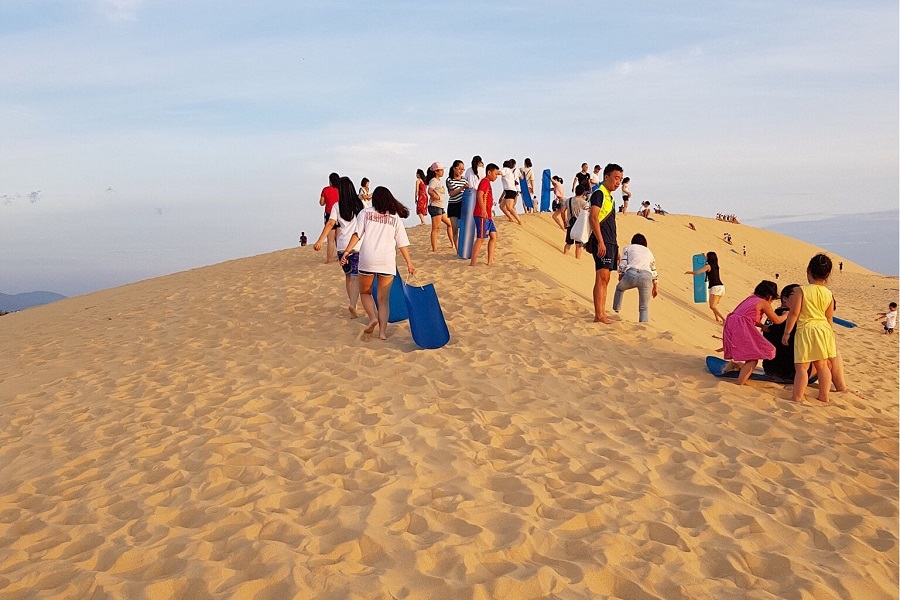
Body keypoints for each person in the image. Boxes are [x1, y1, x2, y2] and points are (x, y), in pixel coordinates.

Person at [341, 186, 415, 341]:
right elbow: (402, 243)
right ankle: (382, 332)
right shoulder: (395, 218)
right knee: (383, 300)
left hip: (368, 258)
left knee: (366, 292)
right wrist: (409, 263)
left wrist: (347, 252)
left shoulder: (365, 213)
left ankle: (373, 318)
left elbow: (357, 234)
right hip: (387, 261)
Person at [781, 253, 838, 403]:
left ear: (808, 270)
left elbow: (794, 313)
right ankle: (824, 396)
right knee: (823, 365)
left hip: (806, 329)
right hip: (823, 330)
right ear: (827, 275)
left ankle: (797, 396)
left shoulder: (801, 290)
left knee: (802, 367)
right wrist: (830, 334)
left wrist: (787, 333)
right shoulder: (829, 293)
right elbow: (829, 317)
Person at [313, 177, 366, 318]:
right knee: (356, 277)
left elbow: (330, 223)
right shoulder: (360, 205)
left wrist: (320, 240)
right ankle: (354, 304)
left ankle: (352, 303)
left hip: (342, 246)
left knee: (349, 276)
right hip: (357, 245)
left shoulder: (337, 206)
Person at [721, 280, 786, 385]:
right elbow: (777, 320)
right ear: (770, 297)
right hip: (741, 327)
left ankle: (740, 373)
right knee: (753, 358)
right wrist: (786, 315)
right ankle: (740, 383)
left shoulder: (751, 298)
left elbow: (746, 317)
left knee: (750, 353)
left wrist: (762, 326)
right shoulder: (764, 302)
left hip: (732, 323)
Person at [586, 163, 624, 324]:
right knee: (602, 277)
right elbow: (593, 218)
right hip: (601, 241)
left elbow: (611, 224)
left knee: (606, 278)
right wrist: (601, 242)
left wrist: (616, 248)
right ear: (606, 177)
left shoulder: (610, 197)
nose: (618, 182)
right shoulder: (599, 193)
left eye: (620, 179)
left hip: (610, 242)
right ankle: (599, 315)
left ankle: (602, 313)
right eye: (616, 178)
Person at [612, 233, 658, 323]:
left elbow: (623, 263)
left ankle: (616, 308)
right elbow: (653, 269)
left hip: (631, 274)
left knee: (620, 289)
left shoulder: (628, 248)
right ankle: (644, 326)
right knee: (644, 307)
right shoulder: (649, 252)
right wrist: (655, 286)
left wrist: (620, 275)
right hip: (646, 276)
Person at [762, 284, 802, 382]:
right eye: (797, 298)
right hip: (790, 371)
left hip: (769, 368)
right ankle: (841, 387)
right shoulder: (792, 318)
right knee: (834, 356)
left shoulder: (772, 316)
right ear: (785, 298)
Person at [470, 163, 500, 266]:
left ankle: (490, 260)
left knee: (494, 235)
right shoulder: (485, 181)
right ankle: (473, 262)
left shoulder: (487, 182)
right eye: (495, 174)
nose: (496, 176)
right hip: (482, 214)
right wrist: (483, 209)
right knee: (481, 238)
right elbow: (480, 194)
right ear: (489, 172)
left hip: (488, 216)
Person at [685, 251, 726, 323]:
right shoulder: (716, 266)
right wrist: (704, 256)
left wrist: (690, 272)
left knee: (712, 306)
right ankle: (717, 318)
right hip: (721, 287)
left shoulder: (708, 266)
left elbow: (698, 272)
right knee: (714, 305)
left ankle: (724, 320)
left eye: (707, 256)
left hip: (715, 288)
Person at [426, 162, 454, 252]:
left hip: (440, 207)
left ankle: (452, 243)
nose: (442, 172)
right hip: (435, 206)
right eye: (441, 170)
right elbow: (429, 190)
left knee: (449, 224)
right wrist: (436, 197)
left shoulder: (438, 181)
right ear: (436, 171)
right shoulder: (433, 180)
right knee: (436, 228)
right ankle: (434, 248)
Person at [318, 172, 341, 263]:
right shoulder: (340, 190)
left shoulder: (326, 190)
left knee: (330, 240)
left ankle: (329, 259)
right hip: (339, 215)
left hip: (329, 215)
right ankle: (340, 257)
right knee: (338, 239)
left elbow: (321, 203)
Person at [563, 184, 589, 258]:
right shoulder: (584, 202)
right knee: (578, 245)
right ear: (583, 192)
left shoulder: (568, 200)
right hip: (579, 226)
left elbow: (562, 211)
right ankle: (577, 259)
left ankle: (565, 256)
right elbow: (587, 214)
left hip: (570, 223)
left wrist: (565, 221)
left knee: (568, 242)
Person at [446, 159, 466, 249]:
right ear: (454, 168)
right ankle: (458, 249)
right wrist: (462, 188)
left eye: (463, 169)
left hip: (463, 206)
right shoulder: (449, 180)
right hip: (453, 205)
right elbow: (452, 193)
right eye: (459, 169)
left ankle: (464, 248)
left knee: (463, 228)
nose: (461, 171)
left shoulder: (464, 180)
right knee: (455, 229)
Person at [499, 159, 522, 224]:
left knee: (509, 207)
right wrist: (501, 197)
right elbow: (506, 187)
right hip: (509, 191)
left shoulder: (506, 169)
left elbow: (500, 172)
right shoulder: (509, 172)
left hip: (510, 191)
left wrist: (494, 172)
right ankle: (511, 218)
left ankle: (519, 220)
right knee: (502, 206)